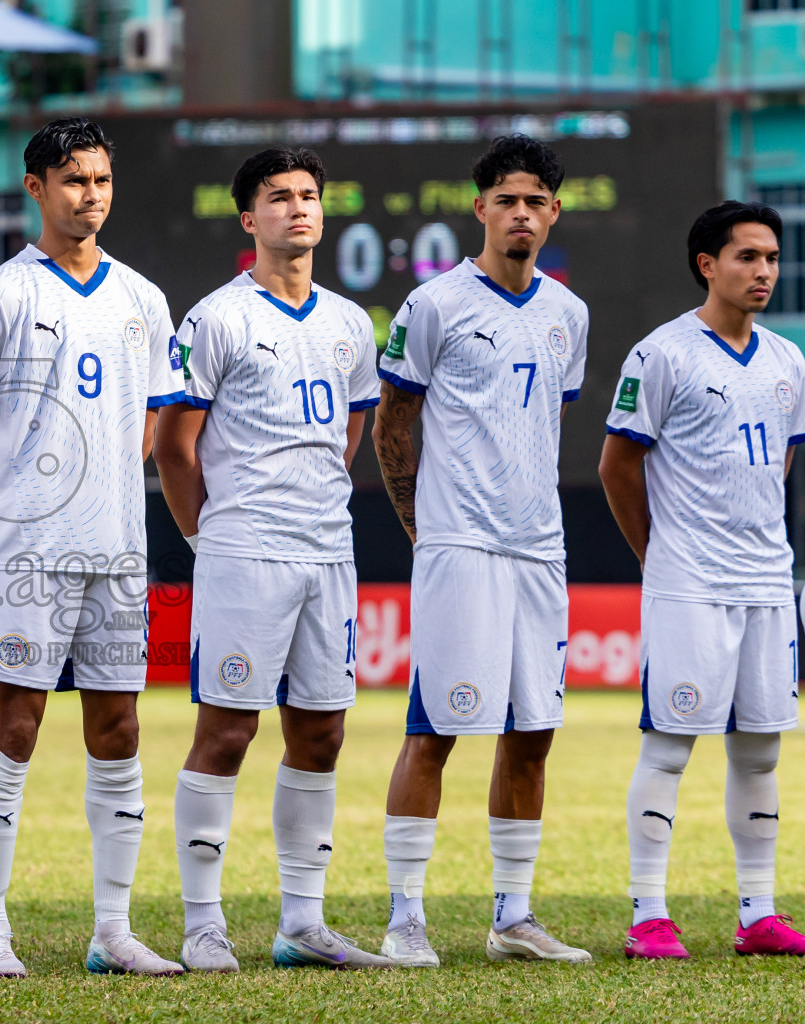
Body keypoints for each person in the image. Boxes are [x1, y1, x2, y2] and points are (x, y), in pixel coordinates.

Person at [0, 117, 186, 978]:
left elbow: (152, 417)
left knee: (119, 727)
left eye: (102, 180)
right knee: (16, 726)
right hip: (28, 554)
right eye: (75, 180)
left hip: (117, 551)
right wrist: (0, 518)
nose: (91, 195)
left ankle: (113, 930)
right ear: (36, 188)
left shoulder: (143, 298)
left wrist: (108, 484)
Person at [154, 147, 388, 973]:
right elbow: (173, 447)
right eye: (280, 197)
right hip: (243, 551)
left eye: (309, 195)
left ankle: (303, 923)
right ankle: (202, 924)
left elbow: (350, 432)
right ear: (249, 218)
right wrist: (209, 537)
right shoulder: (216, 318)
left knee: (322, 731)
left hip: (327, 551)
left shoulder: (349, 323)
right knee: (227, 730)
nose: (298, 208)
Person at [371, 134, 591, 966]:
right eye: (507, 200)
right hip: (459, 546)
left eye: (535, 201)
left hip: (538, 549)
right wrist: (423, 529)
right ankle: (405, 918)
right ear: (481, 209)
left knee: (533, 732)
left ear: (554, 212)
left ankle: (513, 918)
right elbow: (392, 426)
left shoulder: (569, 314)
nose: (521, 214)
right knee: (436, 728)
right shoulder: (434, 305)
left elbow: (548, 423)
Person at [601, 200, 805, 960]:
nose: (764, 271)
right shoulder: (663, 354)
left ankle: (759, 915)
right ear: (707, 264)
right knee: (669, 747)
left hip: (768, 583)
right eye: (748, 256)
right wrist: (656, 553)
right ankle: (648, 916)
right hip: (690, 581)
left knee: (760, 752)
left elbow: (778, 463)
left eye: (771, 257)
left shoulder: (788, 361)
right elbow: (617, 466)